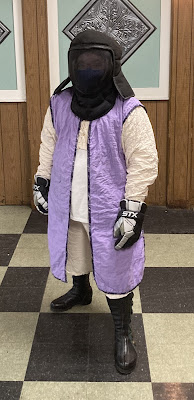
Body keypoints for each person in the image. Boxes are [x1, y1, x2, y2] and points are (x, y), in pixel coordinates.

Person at [33, 29, 158, 375]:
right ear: (72, 64)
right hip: (67, 199)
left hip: (108, 207)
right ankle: (81, 289)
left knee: (115, 263)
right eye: (81, 61)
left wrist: (132, 209)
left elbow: (144, 161)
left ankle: (123, 331)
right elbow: (49, 142)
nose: (88, 68)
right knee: (76, 248)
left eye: (95, 62)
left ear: (112, 65)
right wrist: (41, 180)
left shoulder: (128, 110)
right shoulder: (60, 102)